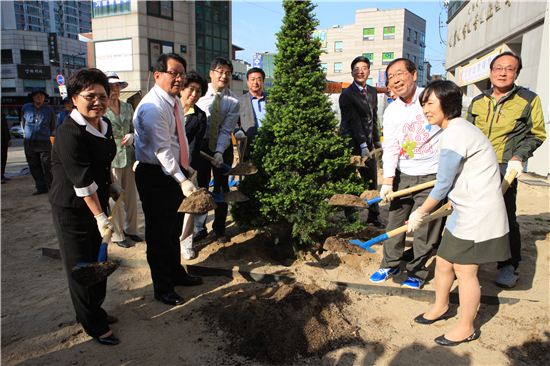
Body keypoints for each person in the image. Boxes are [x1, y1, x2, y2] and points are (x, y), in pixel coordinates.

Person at [409, 80, 510, 346]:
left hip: (478, 213)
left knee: (465, 271)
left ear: (448, 103)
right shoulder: (455, 130)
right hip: (462, 210)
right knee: (443, 262)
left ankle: (466, 327)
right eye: (423, 104)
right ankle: (441, 306)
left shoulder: (455, 133)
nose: (425, 109)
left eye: (430, 103)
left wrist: (420, 212)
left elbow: (442, 183)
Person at [49, 68, 120, 345]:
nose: (97, 102)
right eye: (90, 96)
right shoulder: (69, 132)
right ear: (74, 98)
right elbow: (81, 182)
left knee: (98, 259)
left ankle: (95, 309)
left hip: (96, 203)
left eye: (102, 96)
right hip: (73, 208)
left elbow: (102, 163)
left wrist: (111, 183)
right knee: (80, 266)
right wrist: (101, 216)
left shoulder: (105, 124)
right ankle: (91, 323)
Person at [467, 51, 547, 288]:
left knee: (505, 215)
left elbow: (537, 134)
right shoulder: (477, 102)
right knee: (473, 212)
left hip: (505, 166)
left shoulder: (528, 100)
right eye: (498, 68)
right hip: (478, 164)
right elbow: (468, 133)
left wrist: (518, 156)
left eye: (509, 68)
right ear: (490, 73)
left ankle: (508, 265)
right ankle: (473, 258)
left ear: (517, 73)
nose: (503, 73)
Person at [369, 58, 445, 289]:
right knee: (394, 223)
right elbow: (391, 146)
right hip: (404, 175)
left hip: (432, 175)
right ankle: (390, 263)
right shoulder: (392, 110)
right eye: (390, 77)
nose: (395, 80)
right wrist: (388, 182)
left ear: (413, 74)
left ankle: (417, 271)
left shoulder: (431, 99)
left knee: (424, 227)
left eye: (399, 73)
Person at [133, 53, 202, 307]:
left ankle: (175, 273)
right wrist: (181, 179)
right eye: (174, 73)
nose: (179, 78)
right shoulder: (152, 106)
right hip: (156, 175)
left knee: (173, 230)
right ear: (157, 74)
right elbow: (162, 149)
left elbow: (176, 141)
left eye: (181, 73)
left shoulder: (172, 101)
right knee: (159, 235)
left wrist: (185, 168)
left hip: (172, 173)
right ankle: (162, 287)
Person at [194, 57, 240, 243]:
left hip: (223, 147)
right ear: (211, 73)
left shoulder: (233, 101)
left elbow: (226, 129)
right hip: (201, 146)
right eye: (220, 72)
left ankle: (219, 228)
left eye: (227, 73)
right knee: (201, 187)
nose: (224, 76)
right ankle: (199, 228)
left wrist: (220, 151)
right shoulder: (198, 95)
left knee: (222, 187)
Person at [338, 56, 384, 229]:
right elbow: (354, 121)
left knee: (371, 180)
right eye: (357, 68)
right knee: (350, 179)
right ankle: (350, 216)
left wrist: (377, 142)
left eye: (364, 68)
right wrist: (363, 145)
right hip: (350, 144)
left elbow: (373, 118)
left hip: (369, 145)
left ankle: (374, 215)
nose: (360, 71)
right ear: (352, 72)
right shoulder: (347, 95)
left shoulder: (372, 91)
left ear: (369, 71)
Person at [104, 71, 143, 249]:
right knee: (116, 197)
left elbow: (137, 129)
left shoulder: (127, 107)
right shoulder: (101, 108)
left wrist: (132, 136)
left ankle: (132, 230)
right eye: (111, 87)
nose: (114, 90)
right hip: (111, 159)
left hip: (129, 156)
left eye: (117, 87)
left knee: (132, 197)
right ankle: (118, 234)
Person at [178, 71, 208, 260]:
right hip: (165, 166)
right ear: (182, 89)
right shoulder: (170, 108)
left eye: (198, 91)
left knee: (189, 208)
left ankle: (186, 243)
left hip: (188, 168)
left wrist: (187, 168)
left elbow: (194, 145)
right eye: (191, 89)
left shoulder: (199, 116)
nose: (194, 94)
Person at [21, 89, 56, 195]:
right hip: (29, 142)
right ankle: (41, 187)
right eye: (36, 96)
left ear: (44, 98)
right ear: (33, 97)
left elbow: (52, 125)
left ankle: (50, 187)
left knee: (47, 165)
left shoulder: (49, 110)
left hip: (44, 142)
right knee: (33, 165)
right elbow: (23, 122)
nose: (39, 98)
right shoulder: (26, 108)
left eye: (41, 96)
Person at [237, 67, 267, 159]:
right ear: (247, 82)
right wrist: (238, 131)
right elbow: (234, 122)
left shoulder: (272, 99)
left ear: (263, 82)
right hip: (249, 146)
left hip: (269, 143)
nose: (255, 82)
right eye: (252, 79)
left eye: (259, 79)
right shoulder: (240, 101)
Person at [1, 112, 10, 183]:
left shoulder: (2, 115)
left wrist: (9, 139)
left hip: (4, 140)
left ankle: (2, 175)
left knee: (3, 158)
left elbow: (6, 128)